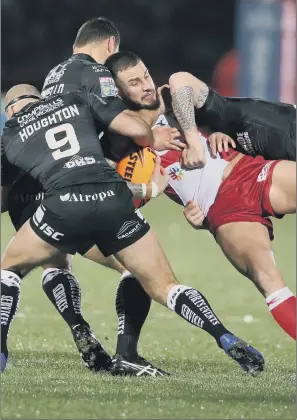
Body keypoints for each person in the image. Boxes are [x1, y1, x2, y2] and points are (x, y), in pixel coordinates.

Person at [1, 84, 264, 377]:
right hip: (112, 198)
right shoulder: (73, 101)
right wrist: (151, 153)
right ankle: (221, 335)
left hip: (60, 205)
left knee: (14, 268)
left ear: (9, 110)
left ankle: (12, 346)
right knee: (161, 284)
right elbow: (121, 130)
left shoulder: (10, 134)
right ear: (42, 99)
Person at [2, 16, 183, 376]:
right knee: (132, 267)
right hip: (78, 193)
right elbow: (115, 131)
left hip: (39, 197)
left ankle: (75, 328)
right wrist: (149, 135)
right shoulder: (89, 74)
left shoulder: (44, 91)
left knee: (46, 261)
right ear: (111, 44)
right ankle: (126, 351)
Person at [104, 50, 296, 342]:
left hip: (247, 171)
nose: (145, 85)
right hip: (220, 210)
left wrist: (203, 137)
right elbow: (108, 192)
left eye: (145, 75)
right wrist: (152, 190)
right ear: (117, 91)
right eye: (134, 82)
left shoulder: (168, 99)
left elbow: (183, 82)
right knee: (270, 282)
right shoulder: (118, 142)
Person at [167, 72, 296, 168]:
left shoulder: (219, 115)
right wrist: (199, 141)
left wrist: (195, 143)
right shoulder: (217, 119)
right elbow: (179, 81)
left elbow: (180, 80)